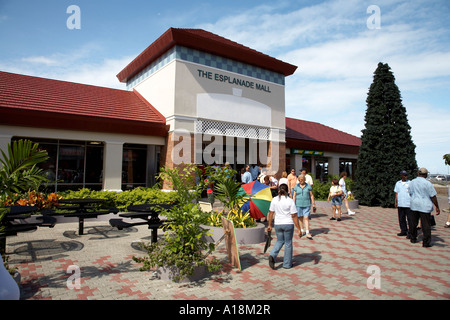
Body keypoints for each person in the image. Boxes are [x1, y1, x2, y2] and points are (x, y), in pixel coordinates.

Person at [267, 184, 301, 269]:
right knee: (288, 243)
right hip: (288, 224)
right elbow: (294, 215)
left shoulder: (274, 200)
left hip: (278, 224)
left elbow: (271, 213)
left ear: (279, 190)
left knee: (279, 241)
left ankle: (272, 254)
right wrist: (299, 228)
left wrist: (269, 225)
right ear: (287, 191)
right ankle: (287, 264)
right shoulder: (290, 201)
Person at [408, 167, 440, 247]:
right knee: (426, 225)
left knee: (413, 223)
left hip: (414, 204)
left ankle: (413, 238)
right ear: (425, 175)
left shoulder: (412, 182)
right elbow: (433, 196)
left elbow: (410, 193)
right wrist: (437, 207)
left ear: (418, 173)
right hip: (425, 206)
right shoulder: (428, 183)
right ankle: (426, 242)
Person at [292, 174, 316, 239]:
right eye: (299, 180)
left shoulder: (308, 186)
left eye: (302, 180)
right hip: (298, 204)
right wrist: (293, 204)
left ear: (304, 180)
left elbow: (311, 195)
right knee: (300, 217)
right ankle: (302, 230)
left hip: (307, 204)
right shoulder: (296, 186)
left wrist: (313, 204)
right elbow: (294, 196)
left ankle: (307, 232)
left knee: (306, 217)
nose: (301, 181)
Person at [394, 170, 412, 237]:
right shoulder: (398, 183)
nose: (405, 176)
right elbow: (396, 193)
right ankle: (403, 230)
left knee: (410, 219)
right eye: (404, 175)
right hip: (401, 203)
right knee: (401, 218)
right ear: (401, 176)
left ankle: (410, 232)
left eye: (406, 175)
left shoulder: (410, 183)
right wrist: (396, 202)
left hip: (408, 204)